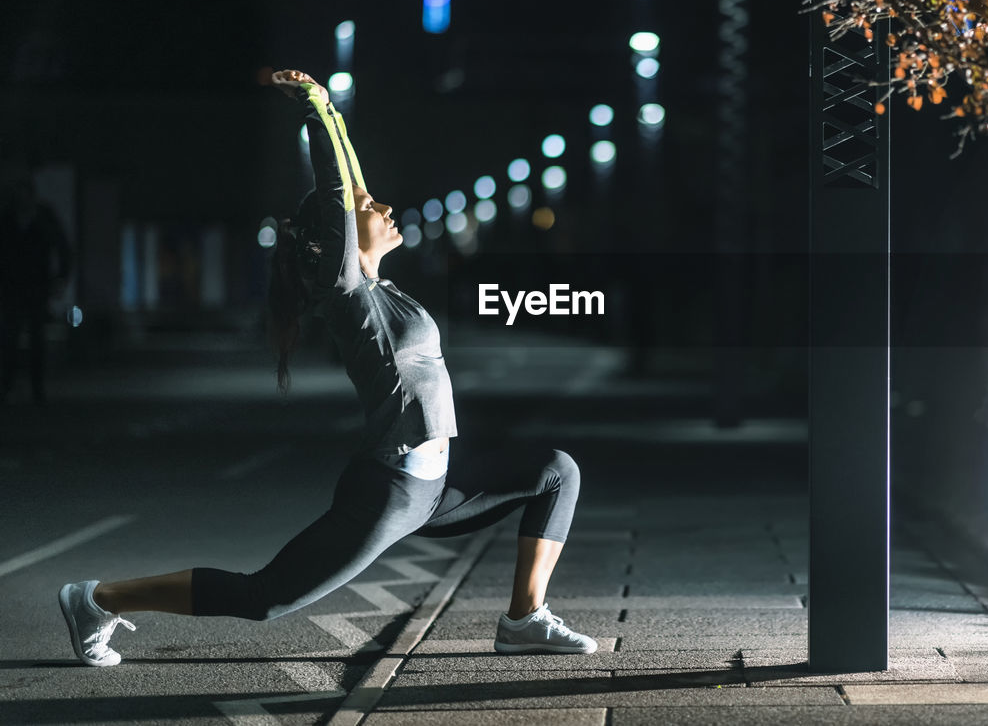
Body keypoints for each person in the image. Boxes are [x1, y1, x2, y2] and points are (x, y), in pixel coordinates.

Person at [57, 70, 596, 667]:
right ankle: (100, 599)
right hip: (393, 489)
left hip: (435, 488)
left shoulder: (376, 286)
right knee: (266, 599)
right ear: (337, 238)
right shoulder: (346, 292)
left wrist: (334, 112)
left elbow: (354, 185)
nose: (385, 207)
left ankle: (523, 619)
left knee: (555, 470)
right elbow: (342, 190)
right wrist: (316, 111)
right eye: (371, 208)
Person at [0, 175, 73, 404]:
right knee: (10, 339)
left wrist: (60, 278)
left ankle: (35, 387)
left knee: (35, 339)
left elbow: (63, 247)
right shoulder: (7, 218)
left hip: (35, 286)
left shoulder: (42, 217)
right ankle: (8, 384)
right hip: (11, 287)